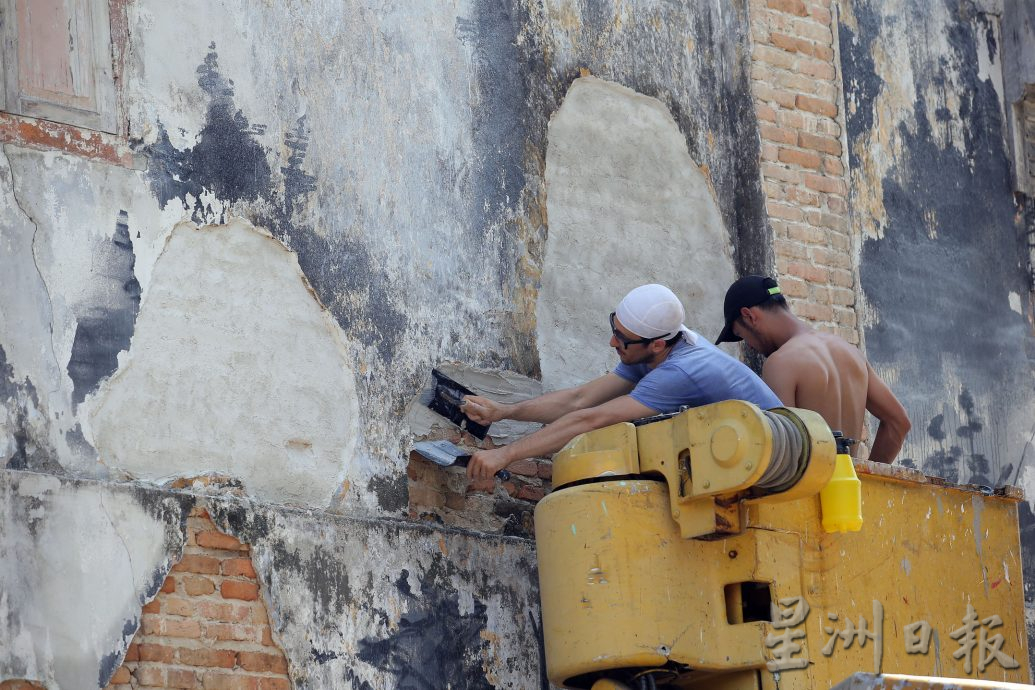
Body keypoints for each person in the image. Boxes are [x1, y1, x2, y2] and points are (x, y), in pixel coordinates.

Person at [465, 284, 781, 480]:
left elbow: (592, 419)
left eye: (622, 339)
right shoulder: (651, 352)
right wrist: (503, 412)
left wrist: (504, 455)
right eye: (615, 331)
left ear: (657, 344)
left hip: (775, 464)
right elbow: (579, 400)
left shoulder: (680, 371)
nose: (613, 344)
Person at [714, 275, 911, 463]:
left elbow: (785, 453)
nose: (749, 346)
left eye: (742, 336)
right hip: (849, 490)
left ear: (749, 316)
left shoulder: (780, 364)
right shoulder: (851, 352)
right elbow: (899, 423)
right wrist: (863, 478)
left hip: (811, 495)